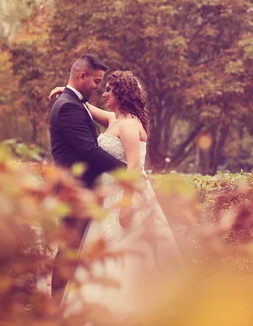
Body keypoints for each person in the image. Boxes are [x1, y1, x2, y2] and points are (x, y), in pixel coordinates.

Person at [49, 70, 184, 319]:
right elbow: (87, 107)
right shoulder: (115, 119)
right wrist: (65, 91)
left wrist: (126, 204)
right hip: (107, 196)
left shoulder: (130, 125)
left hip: (123, 197)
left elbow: (133, 167)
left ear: (121, 93)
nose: (105, 93)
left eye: (110, 89)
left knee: (123, 256)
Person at [48, 54, 126, 304]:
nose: (98, 87)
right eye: (96, 81)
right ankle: (56, 307)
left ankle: (66, 304)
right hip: (74, 191)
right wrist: (127, 172)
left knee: (75, 250)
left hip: (81, 191)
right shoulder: (69, 105)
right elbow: (89, 151)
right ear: (82, 76)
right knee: (69, 251)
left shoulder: (73, 101)